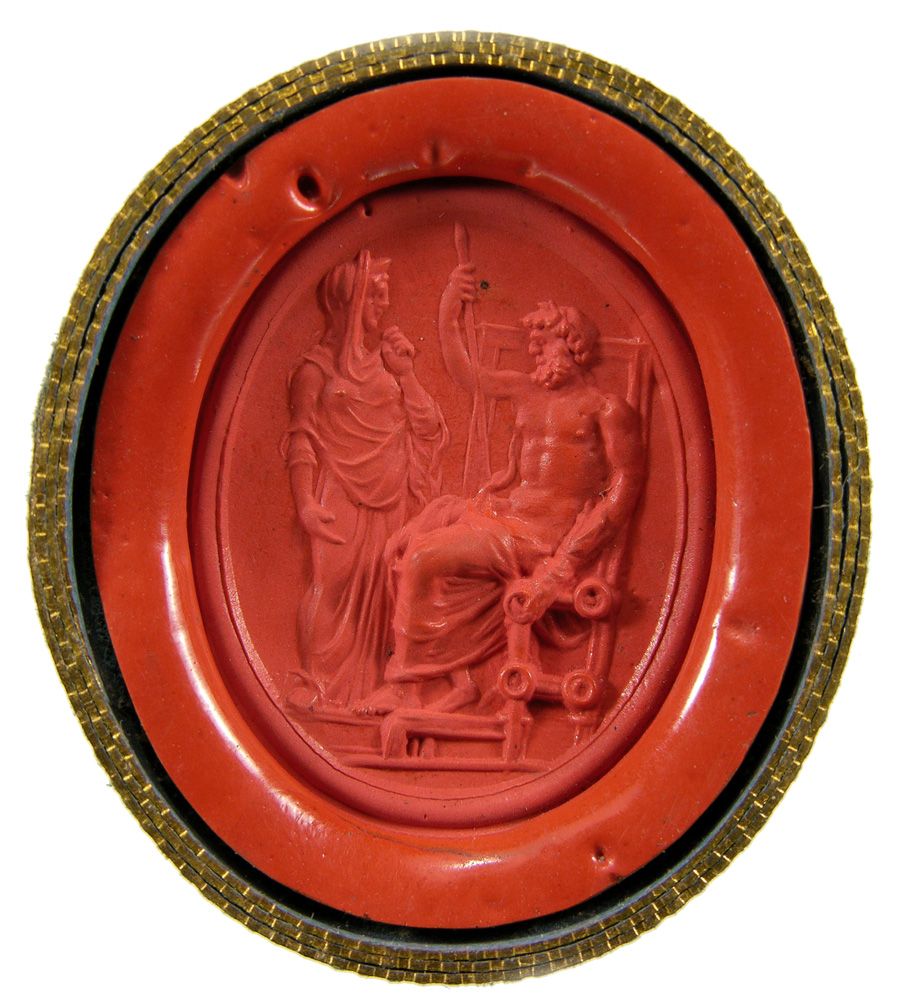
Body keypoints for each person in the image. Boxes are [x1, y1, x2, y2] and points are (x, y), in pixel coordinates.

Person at [367, 263, 644, 714]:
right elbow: (465, 374)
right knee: (401, 544)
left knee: (422, 557)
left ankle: (406, 684)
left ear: (574, 345)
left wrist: (562, 565)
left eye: (543, 345)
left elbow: (624, 487)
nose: (534, 354)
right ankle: (456, 682)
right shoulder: (525, 391)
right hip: (500, 516)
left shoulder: (607, 410)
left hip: (539, 537)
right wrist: (448, 314)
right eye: (532, 347)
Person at [281, 250, 447, 708]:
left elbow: (429, 427)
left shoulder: (387, 364)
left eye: (384, 296)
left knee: (390, 594)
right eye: (374, 296)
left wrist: (407, 374)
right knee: (330, 588)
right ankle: (317, 684)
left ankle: (378, 690)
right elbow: (301, 438)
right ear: (348, 300)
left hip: (394, 495)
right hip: (339, 496)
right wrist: (304, 503)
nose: (383, 305)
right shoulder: (314, 370)